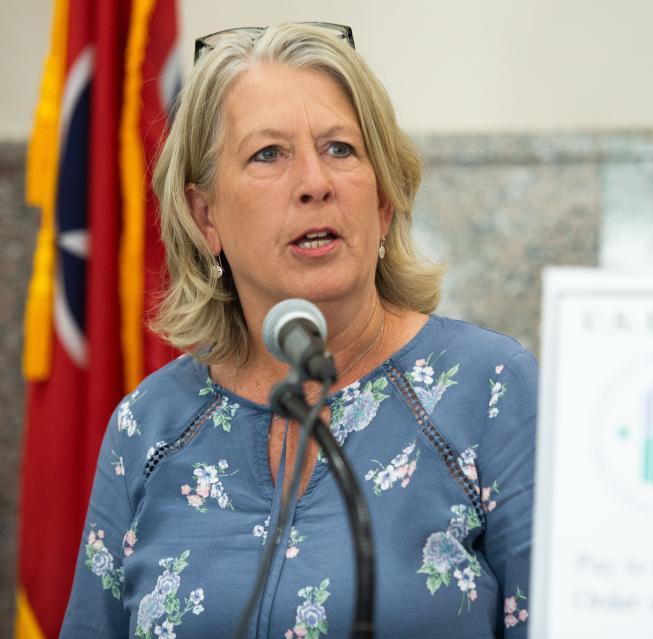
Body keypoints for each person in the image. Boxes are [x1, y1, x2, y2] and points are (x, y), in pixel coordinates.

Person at [60, 22, 536, 638]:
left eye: (341, 149)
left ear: (383, 202)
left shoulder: (490, 389)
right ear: (207, 217)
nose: (315, 182)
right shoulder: (148, 427)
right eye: (268, 154)